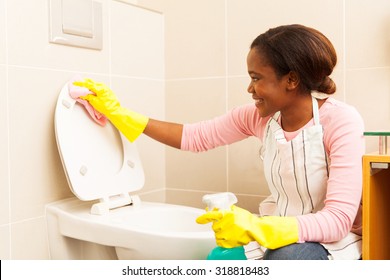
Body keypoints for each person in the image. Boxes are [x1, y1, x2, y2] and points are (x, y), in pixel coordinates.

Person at [74, 24, 364, 260]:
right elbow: (193, 137)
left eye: (257, 78)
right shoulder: (259, 117)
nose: (249, 88)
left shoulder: (341, 121)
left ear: (291, 80)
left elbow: (337, 220)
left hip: (330, 243)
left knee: (290, 258)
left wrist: (255, 225)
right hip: (272, 231)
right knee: (219, 259)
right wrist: (120, 113)